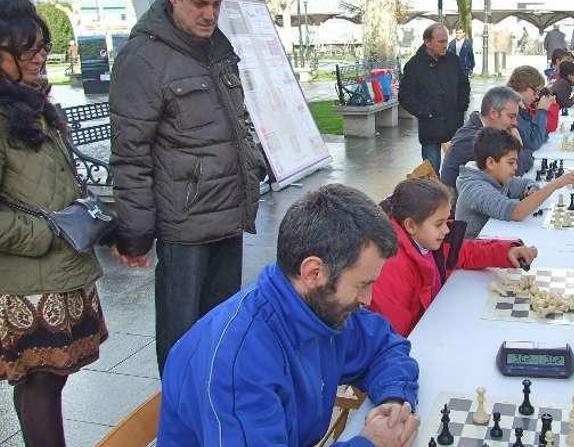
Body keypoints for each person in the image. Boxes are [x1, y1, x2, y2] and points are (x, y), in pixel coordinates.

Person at [158, 184, 421, 446]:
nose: (368, 299)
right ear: (313, 273)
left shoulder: (318, 307)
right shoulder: (239, 363)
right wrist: (370, 444)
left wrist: (393, 400)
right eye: (362, 284)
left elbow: (384, 346)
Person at [108, 0, 267, 373]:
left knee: (222, 334)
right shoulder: (143, 58)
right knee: (182, 344)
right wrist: (135, 232)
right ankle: (180, 424)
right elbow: (130, 154)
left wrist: (254, 164)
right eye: (199, 3)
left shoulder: (217, 47)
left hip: (228, 214)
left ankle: (217, 412)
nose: (209, 13)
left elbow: (236, 122)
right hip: (184, 226)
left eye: (216, 4)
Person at [0, 0, 108, 447]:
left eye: (41, 47)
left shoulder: (32, 106)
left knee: (49, 381)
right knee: (40, 382)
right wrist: (45, 233)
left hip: (59, 272)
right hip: (28, 279)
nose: (38, 57)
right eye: (26, 49)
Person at [369, 179, 538, 336]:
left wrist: (506, 252)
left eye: (447, 221)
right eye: (439, 224)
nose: (447, 230)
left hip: (438, 323)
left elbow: (464, 252)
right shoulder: (390, 269)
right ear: (411, 225)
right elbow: (394, 335)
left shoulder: (426, 240)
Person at [455, 128, 574, 238]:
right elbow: (517, 212)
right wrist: (554, 185)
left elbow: (524, 183)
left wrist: (531, 189)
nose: (516, 167)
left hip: (495, 238)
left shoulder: (496, 176)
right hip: (472, 254)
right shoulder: (475, 189)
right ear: (491, 163)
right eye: (511, 162)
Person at [400, 22, 471, 175]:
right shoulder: (414, 65)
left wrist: (461, 106)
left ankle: (456, 197)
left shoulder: (453, 60)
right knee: (431, 171)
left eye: (446, 40)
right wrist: (425, 112)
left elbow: (464, 85)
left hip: (454, 124)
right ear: (428, 42)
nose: (445, 45)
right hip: (431, 127)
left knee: (459, 169)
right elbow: (405, 96)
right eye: (441, 42)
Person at [440, 86, 533, 190]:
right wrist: (519, 145)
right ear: (493, 113)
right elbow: (515, 171)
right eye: (511, 117)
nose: (515, 123)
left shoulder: (485, 131)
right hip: (459, 203)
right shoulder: (473, 139)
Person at [507, 65, 553, 152]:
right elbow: (533, 143)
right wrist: (542, 111)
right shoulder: (510, 107)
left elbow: (544, 134)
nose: (536, 96)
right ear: (524, 86)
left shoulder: (520, 105)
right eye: (535, 91)